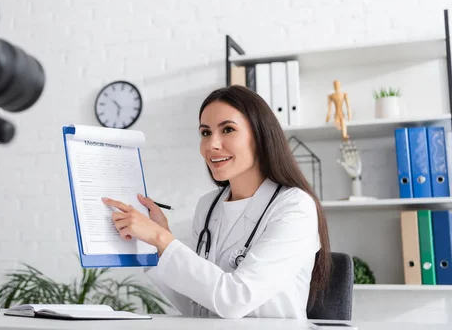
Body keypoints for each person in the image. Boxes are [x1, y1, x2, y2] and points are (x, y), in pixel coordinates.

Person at [102, 85, 331, 319]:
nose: (212, 144)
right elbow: (199, 307)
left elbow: (234, 300)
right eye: (205, 133)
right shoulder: (208, 206)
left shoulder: (294, 207)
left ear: (260, 136)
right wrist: (156, 246)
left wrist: (161, 239)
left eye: (228, 129)